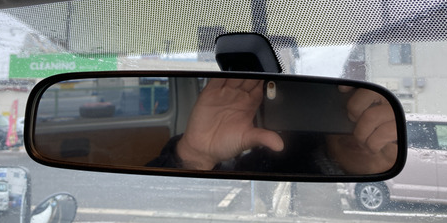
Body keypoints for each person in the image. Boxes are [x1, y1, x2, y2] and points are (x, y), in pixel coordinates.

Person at [149, 78, 398, 175]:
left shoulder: (406, 149)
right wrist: (196, 154)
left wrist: (394, 145)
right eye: (343, 106)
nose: (361, 120)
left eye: (373, 107)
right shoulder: (274, 160)